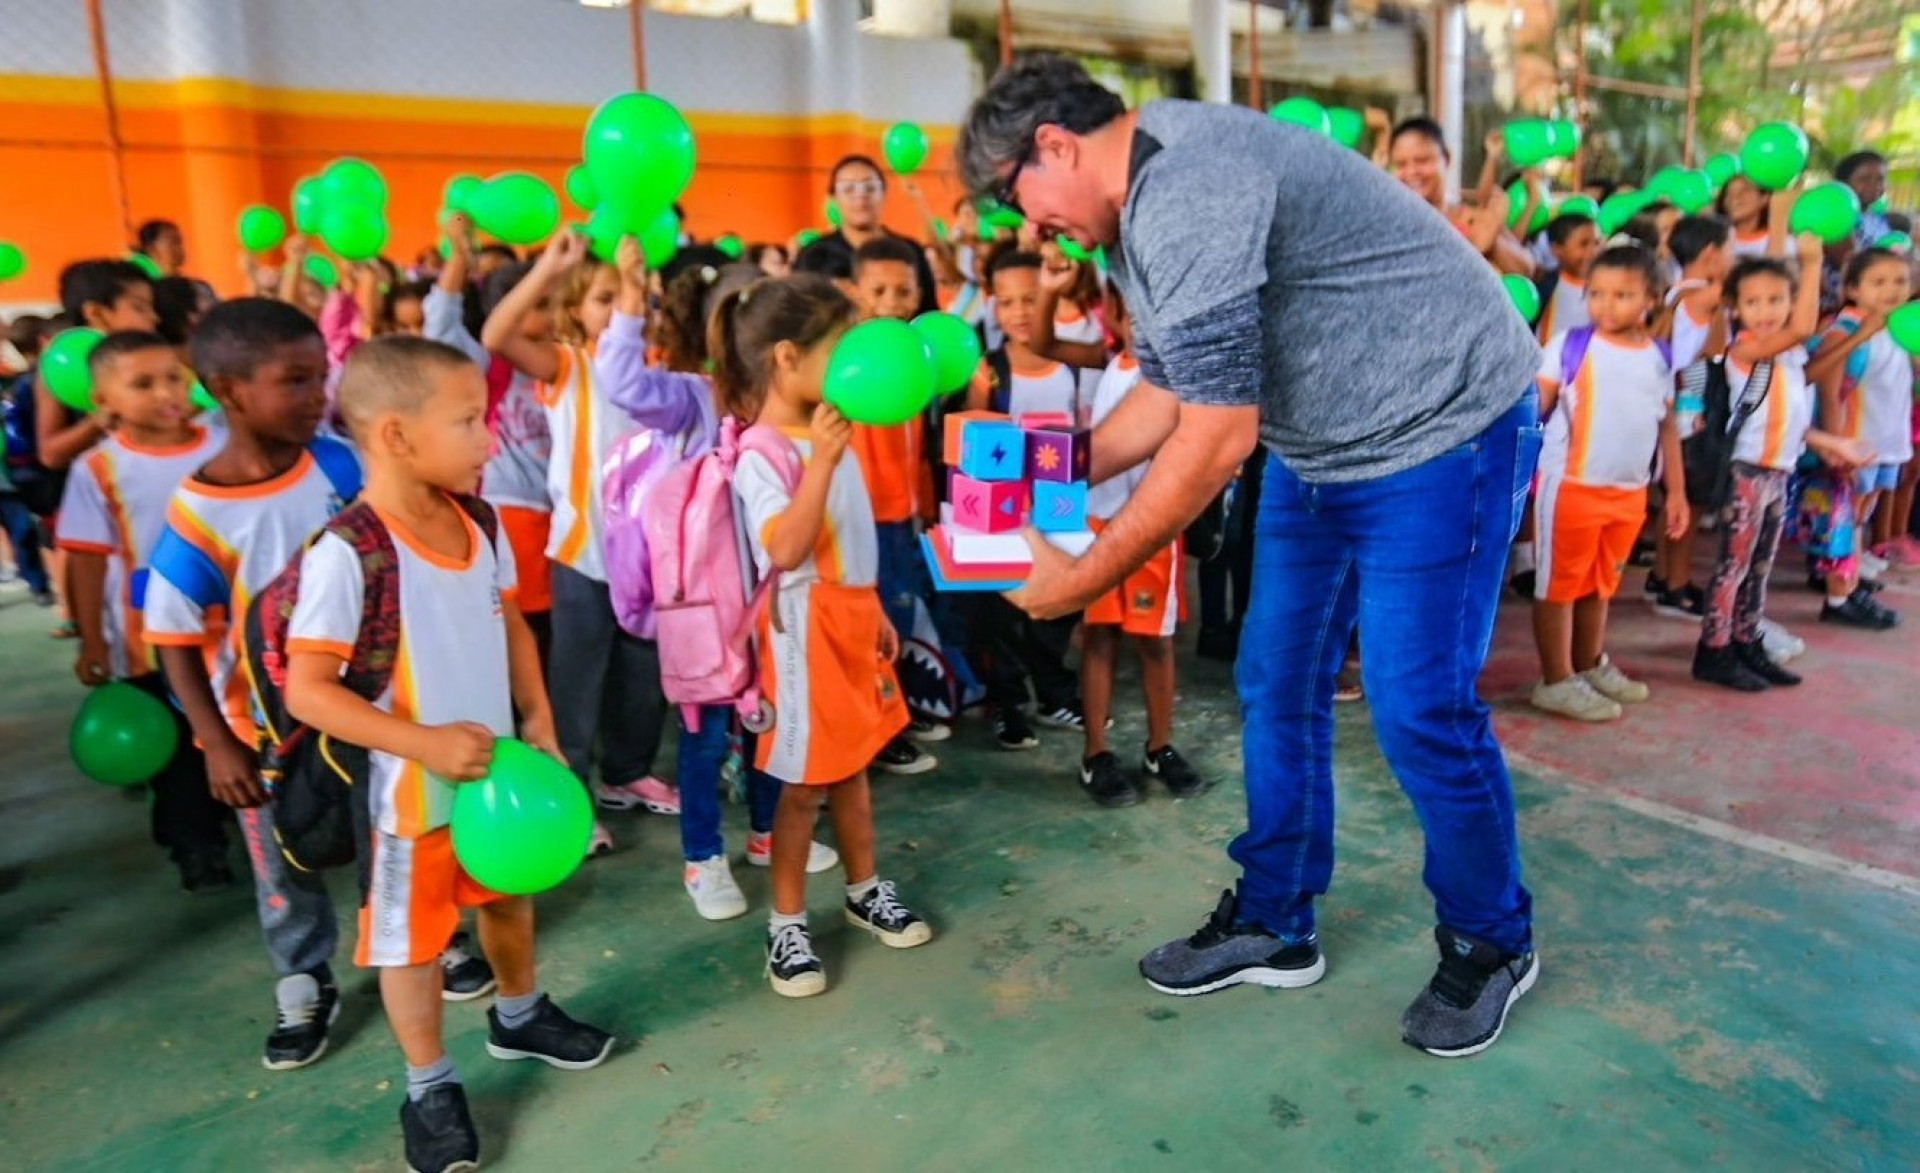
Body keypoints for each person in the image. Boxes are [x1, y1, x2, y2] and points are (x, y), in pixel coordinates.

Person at [961, 53, 1543, 1056]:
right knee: (1276, 684)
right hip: (1322, 448)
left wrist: (1078, 576)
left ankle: (1493, 941)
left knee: (1417, 711)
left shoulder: (1187, 184)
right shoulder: (1142, 189)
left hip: (1443, 433)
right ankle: (1278, 918)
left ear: (1052, 145)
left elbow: (1218, 436)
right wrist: (1036, 472)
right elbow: (1171, 389)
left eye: (1020, 197)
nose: (1029, 230)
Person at [282, 336, 612, 1173]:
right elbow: (309, 691)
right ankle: (428, 1083)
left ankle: (520, 1011)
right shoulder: (349, 552)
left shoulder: (479, 519)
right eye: (469, 421)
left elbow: (506, 624)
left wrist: (537, 720)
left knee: (507, 899)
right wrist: (422, 742)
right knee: (413, 944)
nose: (488, 438)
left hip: (495, 782)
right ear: (395, 434)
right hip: (407, 801)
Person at [144, 298, 365, 1068]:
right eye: (295, 380)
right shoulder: (200, 514)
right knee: (283, 858)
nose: (317, 395)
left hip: (366, 703)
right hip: (263, 726)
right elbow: (170, 636)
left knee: (388, 828)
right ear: (228, 391)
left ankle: (425, 939)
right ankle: (304, 974)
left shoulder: (340, 464)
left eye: (321, 376)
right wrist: (215, 742)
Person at [593, 241, 840, 921]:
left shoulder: (797, 417)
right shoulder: (692, 399)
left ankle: (765, 834)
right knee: (704, 740)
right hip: (703, 610)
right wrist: (626, 300)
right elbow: (620, 381)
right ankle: (703, 857)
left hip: (770, 606)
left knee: (771, 724)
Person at [712, 273, 933, 999]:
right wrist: (826, 462)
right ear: (786, 356)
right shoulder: (761, 452)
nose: (850, 362)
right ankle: (786, 926)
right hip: (802, 631)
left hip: (850, 618)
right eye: (837, 347)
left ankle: (864, 887)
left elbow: (855, 537)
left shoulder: (836, 425)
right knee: (803, 785)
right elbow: (785, 548)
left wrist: (877, 616)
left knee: (854, 765)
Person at [482, 230, 678, 854]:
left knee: (641, 677)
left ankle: (627, 772)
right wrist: (548, 266)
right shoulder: (570, 366)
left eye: (636, 296)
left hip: (647, 561)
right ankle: (571, 794)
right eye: (605, 297)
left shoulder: (658, 375)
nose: (626, 306)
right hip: (584, 558)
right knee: (576, 684)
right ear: (575, 314)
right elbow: (496, 337)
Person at [52, 331, 232, 889]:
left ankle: (241, 819)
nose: (167, 392)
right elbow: (85, 558)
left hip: (229, 627)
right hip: (151, 638)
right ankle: (194, 843)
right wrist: (93, 641)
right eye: (143, 384)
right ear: (103, 402)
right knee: (177, 749)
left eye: (174, 376)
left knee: (235, 729)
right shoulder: (98, 468)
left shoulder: (224, 444)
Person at [1039, 277, 1208, 807]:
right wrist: (1050, 289)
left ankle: (1159, 747)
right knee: (1099, 638)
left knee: (1156, 642)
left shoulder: (1184, 380)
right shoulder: (1108, 361)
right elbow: (1044, 343)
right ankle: (1096, 754)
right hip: (1095, 526)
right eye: (1135, 316)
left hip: (1155, 529)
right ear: (1116, 316)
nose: (1146, 329)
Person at [1693, 243, 1871, 690]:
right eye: (1753, 302)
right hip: (1747, 474)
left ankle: (1746, 641)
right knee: (1732, 566)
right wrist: (1811, 264)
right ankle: (1714, 650)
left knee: (1759, 566)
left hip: (1778, 472)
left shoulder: (1788, 358)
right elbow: (1806, 326)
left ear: (1790, 301)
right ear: (1735, 308)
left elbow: (1788, 418)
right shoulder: (1747, 348)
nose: (1765, 311)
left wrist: (1832, 442)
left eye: (1776, 300)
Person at [1528, 246, 1689, 722]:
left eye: (1622, 295)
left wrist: (1675, 492)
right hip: (1571, 486)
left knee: (1601, 584)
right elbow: (1535, 406)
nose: (1605, 305)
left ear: (1652, 299)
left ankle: (1588, 663)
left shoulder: (1660, 357)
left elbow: (1667, 427)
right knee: (1557, 585)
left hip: (1629, 492)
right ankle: (1555, 680)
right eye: (1596, 293)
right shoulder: (1568, 345)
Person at [960, 249, 1091, 751]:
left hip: (1057, 511)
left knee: (1057, 607)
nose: (1019, 312)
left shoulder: (1072, 366)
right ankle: (1009, 703)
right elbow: (971, 438)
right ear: (992, 305)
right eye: (1007, 302)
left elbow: (1084, 429)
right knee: (1001, 613)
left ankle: (1056, 691)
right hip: (1002, 517)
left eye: (1030, 300)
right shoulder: (987, 371)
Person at [425, 216, 555, 659]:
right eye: (538, 304)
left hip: (561, 518)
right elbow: (440, 324)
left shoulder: (567, 364)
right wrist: (458, 258)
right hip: (511, 513)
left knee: (547, 633)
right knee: (517, 625)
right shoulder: (485, 365)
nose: (551, 315)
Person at [847, 236, 943, 773]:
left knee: (901, 621)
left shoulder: (913, 354)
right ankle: (881, 732)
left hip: (905, 514)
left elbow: (916, 445)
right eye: (878, 290)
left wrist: (924, 501)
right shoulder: (855, 361)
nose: (891, 301)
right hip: (867, 519)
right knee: (876, 629)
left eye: (903, 291)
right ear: (855, 293)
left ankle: (898, 711)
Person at [38, 261, 162, 636]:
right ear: (97, 313)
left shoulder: (154, 358)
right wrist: (100, 419)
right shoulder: (61, 366)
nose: (153, 318)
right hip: (106, 510)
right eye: (139, 306)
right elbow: (51, 451)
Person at [1799, 247, 1912, 628]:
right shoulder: (1846, 331)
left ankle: (1846, 581)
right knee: (1843, 520)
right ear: (1852, 288)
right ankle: (1838, 598)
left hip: (1884, 442)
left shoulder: (1897, 327)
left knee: (1861, 514)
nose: (1891, 290)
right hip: (1854, 444)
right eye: (1878, 282)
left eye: (1900, 280)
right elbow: (1829, 394)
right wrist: (1836, 447)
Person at [1644, 214, 1733, 619]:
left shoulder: (1674, 292)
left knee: (1672, 500)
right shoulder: (1707, 297)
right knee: (1690, 503)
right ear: (1712, 254)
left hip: (1671, 407)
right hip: (1692, 411)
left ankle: (1662, 576)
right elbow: (1714, 353)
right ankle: (1676, 587)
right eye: (1730, 249)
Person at [1382, 117, 1533, 275]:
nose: (1411, 172)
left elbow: (1526, 270)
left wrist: (1492, 239)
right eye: (1400, 164)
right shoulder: (1388, 227)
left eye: (1422, 161)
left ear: (1446, 159)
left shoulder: (1471, 219)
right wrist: (1477, 245)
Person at [794, 155, 939, 316]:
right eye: (849, 189)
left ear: (883, 193)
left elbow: (929, 313)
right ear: (833, 198)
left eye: (869, 188)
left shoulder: (910, 251)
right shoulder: (814, 255)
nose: (860, 196)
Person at [2, 315, 56, 604]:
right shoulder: (28, 384)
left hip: (18, 473)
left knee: (26, 529)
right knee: (31, 531)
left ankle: (40, 585)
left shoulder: (19, 382)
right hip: (25, 470)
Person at [1535, 214, 1601, 342]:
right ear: (1556, 250)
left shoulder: (1608, 286)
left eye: (1597, 243)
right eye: (1584, 244)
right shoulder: (1546, 286)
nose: (1594, 251)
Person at [1836, 151, 1890, 251]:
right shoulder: (1836, 220)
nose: (1875, 185)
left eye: (1880, 179)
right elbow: (1850, 262)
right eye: (1865, 179)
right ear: (1844, 182)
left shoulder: (1879, 220)